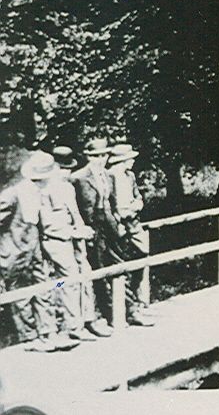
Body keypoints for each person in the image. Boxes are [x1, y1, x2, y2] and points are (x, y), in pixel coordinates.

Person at [0, 152, 77, 352]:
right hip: (14, 254)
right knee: (21, 297)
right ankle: (30, 338)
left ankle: (49, 333)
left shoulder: (39, 192)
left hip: (35, 252)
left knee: (44, 290)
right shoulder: (12, 195)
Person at [40, 147, 103, 342]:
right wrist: (74, 232)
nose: (67, 172)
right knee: (67, 281)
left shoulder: (67, 188)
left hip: (75, 241)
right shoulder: (45, 191)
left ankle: (88, 318)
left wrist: (83, 230)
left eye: (69, 168)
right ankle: (73, 325)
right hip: (57, 243)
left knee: (85, 275)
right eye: (62, 168)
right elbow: (48, 226)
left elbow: (75, 215)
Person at [70, 137, 116, 335]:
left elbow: (111, 203)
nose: (101, 159)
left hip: (109, 229)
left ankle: (115, 312)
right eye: (96, 156)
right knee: (92, 271)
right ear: (88, 156)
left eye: (104, 155)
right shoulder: (78, 177)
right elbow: (75, 207)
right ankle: (95, 316)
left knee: (114, 268)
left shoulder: (108, 176)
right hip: (90, 231)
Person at [105, 143, 154, 326]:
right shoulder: (109, 176)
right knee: (120, 264)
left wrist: (135, 206)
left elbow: (138, 198)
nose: (133, 161)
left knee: (142, 256)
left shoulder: (130, 176)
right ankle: (128, 309)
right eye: (130, 158)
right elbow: (108, 203)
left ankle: (136, 301)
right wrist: (119, 215)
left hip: (133, 222)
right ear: (121, 160)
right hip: (118, 225)